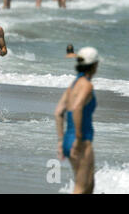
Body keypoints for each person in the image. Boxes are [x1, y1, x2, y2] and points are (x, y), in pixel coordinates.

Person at [54, 47, 99, 194]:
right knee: (80, 187)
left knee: (89, 185)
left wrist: (61, 141)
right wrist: (79, 140)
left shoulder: (73, 85)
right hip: (81, 141)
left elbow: (58, 112)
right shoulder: (86, 85)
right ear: (94, 65)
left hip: (68, 139)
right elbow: (78, 108)